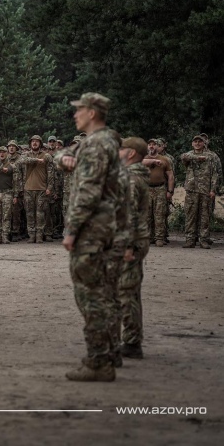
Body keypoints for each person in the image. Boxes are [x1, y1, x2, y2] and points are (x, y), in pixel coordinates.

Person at [62, 92, 121, 382]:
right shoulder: (107, 140)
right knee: (103, 292)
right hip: (104, 226)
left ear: (92, 113)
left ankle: (98, 361)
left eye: (80, 110)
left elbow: (88, 192)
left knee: (90, 295)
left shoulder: (96, 144)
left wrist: (72, 229)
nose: (76, 114)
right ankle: (110, 353)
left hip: (91, 229)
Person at [117, 137, 151, 359]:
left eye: (122, 148)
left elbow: (127, 215)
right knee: (130, 291)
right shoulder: (135, 176)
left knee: (125, 292)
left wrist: (127, 246)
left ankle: (131, 342)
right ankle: (132, 339)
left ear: (131, 153)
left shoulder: (129, 179)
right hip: (136, 240)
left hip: (130, 242)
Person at [181, 135, 219, 249]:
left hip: (205, 190)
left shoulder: (211, 156)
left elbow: (215, 174)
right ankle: (190, 240)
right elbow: (183, 157)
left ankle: (204, 240)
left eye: (200, 141)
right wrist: (197, 158)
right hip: (192, 190)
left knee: (205, 216)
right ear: (192, 143)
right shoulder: (189, 155)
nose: (197, 143)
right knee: (190, 215)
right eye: (195, 141)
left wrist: (213, 190)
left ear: (203, 143)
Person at [18, 135, 55, 243]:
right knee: (29, 213)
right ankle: (31, 235)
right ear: (30, 143)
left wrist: (49, 187)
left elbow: (51, 173)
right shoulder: (26, 154)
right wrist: (37, 160)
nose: (34, 143)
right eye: (33, 141)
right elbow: (22, 161)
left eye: (37, 141)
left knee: (40, 213)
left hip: (42, 189)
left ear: (40, 143)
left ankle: (39, 235)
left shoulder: (47, 156)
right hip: (28, 189)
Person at [142, 138, 174, 247]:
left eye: (154, 144)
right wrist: (153, 161)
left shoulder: (165, 159)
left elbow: (170, 176)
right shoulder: (142, 158)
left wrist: (170, 191)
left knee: (159, 214)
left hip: (160, 189)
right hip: (146, 189)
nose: (151, 146)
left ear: (158, 146)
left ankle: (159, 237)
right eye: (149, 144)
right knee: (146, 215)